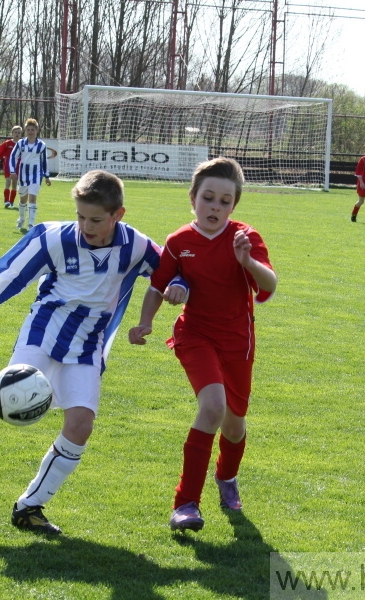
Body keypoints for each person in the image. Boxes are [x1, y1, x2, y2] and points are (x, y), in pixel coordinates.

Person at [0, 170, 177, 536]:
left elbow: (169, 270)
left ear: (118, 215)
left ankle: (29, 507)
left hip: (88, 344)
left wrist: (178, 287)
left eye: (95, 219)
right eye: (80, 216)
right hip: (44, 330)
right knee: (8, 401)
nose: (85, 226)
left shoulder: (136, 246)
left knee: (81, 425)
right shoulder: (55, 237)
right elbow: (11, 274)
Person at [128, 157, 278, 532]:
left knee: (234, 426)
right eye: (208, 198)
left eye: (225, 201)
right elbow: (158, 286)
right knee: (212, 408)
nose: (216, 207)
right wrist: (145, 322)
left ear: (234, 205)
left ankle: (226, 477)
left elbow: (269, 285)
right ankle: (186, 504)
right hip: (194, 335)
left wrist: (247, 261)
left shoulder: (246, 237)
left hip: (238, 342)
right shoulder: (179, 242)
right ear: (193, 198)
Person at [9, 118, 51, 232]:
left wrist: (47, 176)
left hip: (36, 175)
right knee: (23, 200)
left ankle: (31, 224)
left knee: (32, 198)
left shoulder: (41, 145)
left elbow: (44, 161)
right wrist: (12, 171)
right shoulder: (21, 143)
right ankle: (21, 219)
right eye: (28, 129)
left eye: (33, 129)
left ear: (36, 130)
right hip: (23, 176)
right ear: (25, 131)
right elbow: (13, 157)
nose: (30, 132)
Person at [0, 125, 23, 209]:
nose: (17, 134)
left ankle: (11, 202)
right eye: (15, 132)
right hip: (8, 166)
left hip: (18, 167)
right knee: (8, 182)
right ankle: (6, 201)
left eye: (19, 132)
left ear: (21, 134)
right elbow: (0, 155)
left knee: (14, 184)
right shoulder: (7, 144)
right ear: (12, 133)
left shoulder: (22, 144)